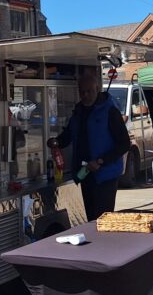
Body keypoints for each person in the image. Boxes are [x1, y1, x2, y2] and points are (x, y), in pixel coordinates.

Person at [48, 68, 131, 221]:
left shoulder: (109, 111)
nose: (85, 95)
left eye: (89, 91)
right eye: (82, 92)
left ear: (97, 90)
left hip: (105, 176)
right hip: (84, 174)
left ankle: (105, 245)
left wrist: (101, 161)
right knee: (90, 220)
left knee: (103, 221)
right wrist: (56, 141)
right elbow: (68, 135)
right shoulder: (78, 111)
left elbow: (125, 144)